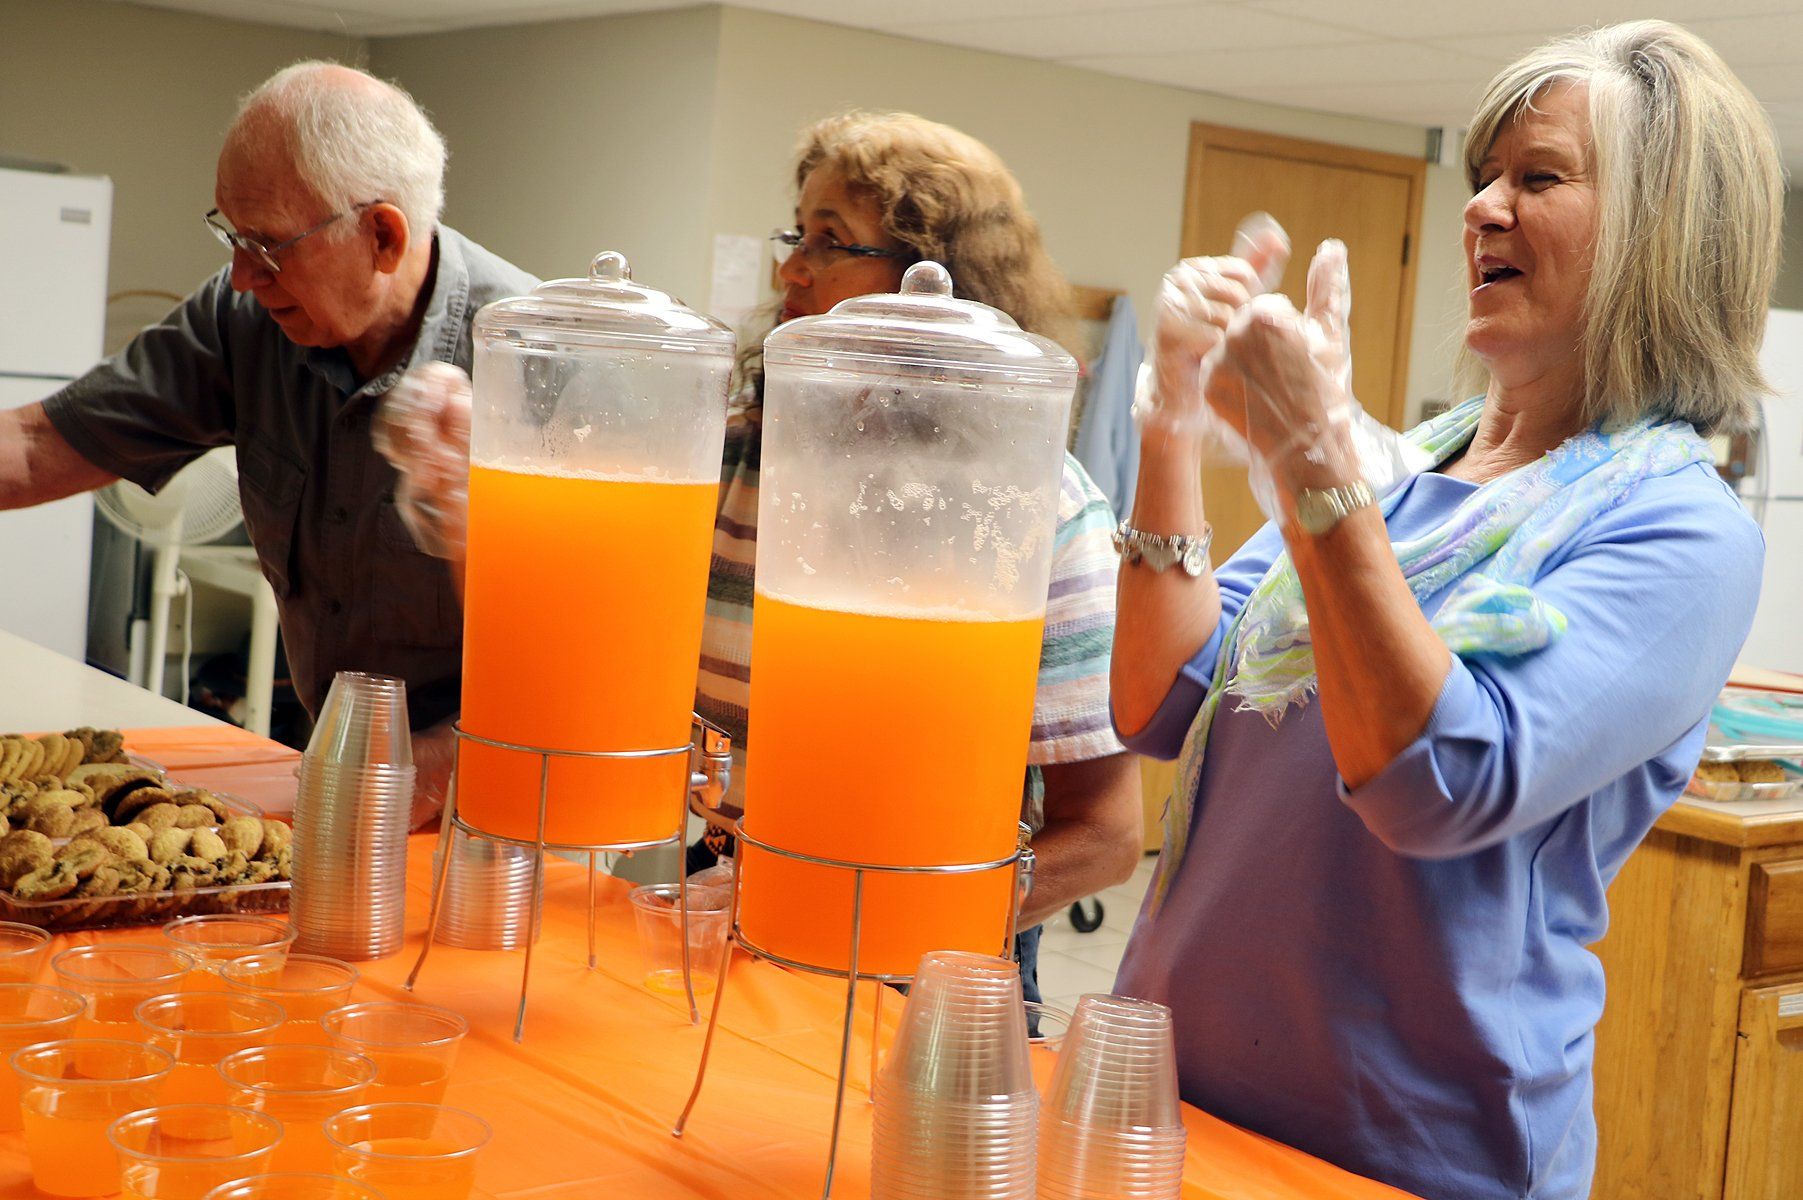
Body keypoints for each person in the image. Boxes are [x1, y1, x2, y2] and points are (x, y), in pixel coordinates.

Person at [1109, 21, 1776, 1200]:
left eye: (1539, 176)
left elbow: (1440, 780)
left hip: (1404, 1155)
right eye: (1482, 177)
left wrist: (1316, 462)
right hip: (1170, 1103)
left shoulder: (1682, 528)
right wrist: (1169, 422)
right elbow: (1163, 700)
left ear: (1663, 236)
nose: (1482, 208)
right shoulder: (1405, 468)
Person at [0, 62, 537, 824]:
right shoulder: (244, 320)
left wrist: (412, 779)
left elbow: (576, 680)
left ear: (382, 234)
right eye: (230, 234)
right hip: (344, 792)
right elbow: (33, 448)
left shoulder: (535, 362)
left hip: (502, 821)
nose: (242, 276)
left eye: (270, 245)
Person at [694, 112, 1144, 1002]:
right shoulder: (733, 463)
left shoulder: (1036, 511)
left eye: (832, 241)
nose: (791, 266)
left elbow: (1105, 837)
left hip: (930, 962)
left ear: (930, 281)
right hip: (726, 918)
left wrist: (868, 911)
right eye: (799, 231)